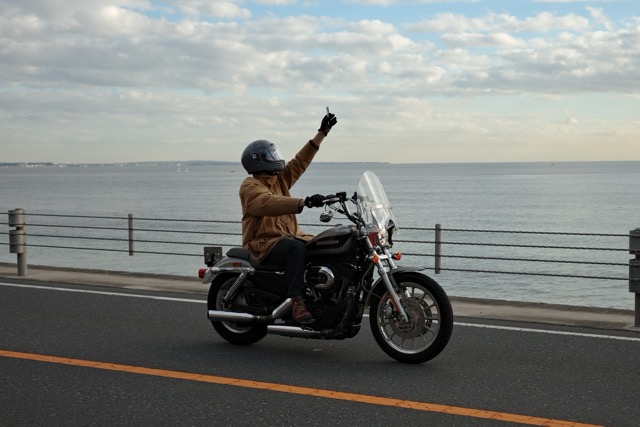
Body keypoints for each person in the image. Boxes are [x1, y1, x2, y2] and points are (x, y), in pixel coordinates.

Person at [239, 110, 338, 323]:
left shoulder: (279, 180)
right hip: (264, 244)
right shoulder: (251, 186)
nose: (277, 160)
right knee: (296, 248)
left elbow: (300, 162)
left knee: (324, 244)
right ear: (259, 161)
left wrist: (322, 133)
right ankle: (296, 302)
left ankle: (324, 296)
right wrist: (302, 202)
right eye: (271, 156)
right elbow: (266, 203)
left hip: (289, 236)